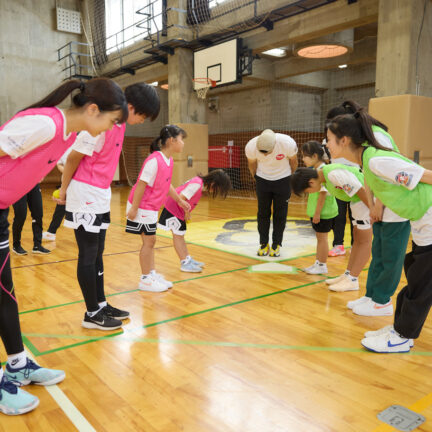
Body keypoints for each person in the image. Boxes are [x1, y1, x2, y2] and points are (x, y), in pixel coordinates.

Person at [0, 77, 127, 414]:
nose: (109, 130)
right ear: (93, 109)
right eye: (111, 122)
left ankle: (17, 363)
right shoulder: (45, 124)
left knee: (4, 291)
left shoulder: (67, 134)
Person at [326, 109, 432, 353]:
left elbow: (424, 175)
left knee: (421, 283)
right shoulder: (367, 161)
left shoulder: (376, 160)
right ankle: (400, 329)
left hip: (428, 214)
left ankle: (403, 336)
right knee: (416, 273)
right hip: (421, 217)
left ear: (344, 141)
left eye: (329, 139)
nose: (326, 144)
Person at [59, 83, 160, 331]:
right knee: (88, 253)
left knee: (98, 252)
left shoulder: (119, 125)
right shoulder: (101, 125)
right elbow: (72, 157)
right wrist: (63, 190)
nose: (141, 121)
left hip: (101, 191)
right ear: (131, 107)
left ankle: (101, 304)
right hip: (85, 192)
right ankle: (91, 312)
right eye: (143, 116)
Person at [331, 101, 411, 317]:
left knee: (390, 257)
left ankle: (382, 302)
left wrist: (378, 204)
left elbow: (390, 176)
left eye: (330, 138)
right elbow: (370, 177)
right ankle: (372, 296)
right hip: (382, 204)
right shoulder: (363, 148)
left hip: (397, 205)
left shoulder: (376, 140)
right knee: (379, 253)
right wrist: (373, 203)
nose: (327, 144)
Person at [126, 125, 190, 292]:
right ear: (171, 140)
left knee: (150, 242)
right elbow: (141, 184)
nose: (183, 143)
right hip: (142, 205)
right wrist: (134, 208)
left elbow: (167, 185)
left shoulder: (168, 160)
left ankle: (151, 273)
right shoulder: (154, 160)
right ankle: (146, 279)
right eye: (181, 139)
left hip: (151, 206)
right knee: (149, 241)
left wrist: (180, 201)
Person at [291, 163, 372, 292]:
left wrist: (373, 209)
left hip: (366, 200)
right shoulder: (325, 178)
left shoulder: (333, 174)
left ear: (311, 182)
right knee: (357, 240)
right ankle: (348, 275)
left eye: (307, 192)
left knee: (363, 241)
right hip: (357, 202)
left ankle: (353, 279)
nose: (309, 194)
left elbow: (360, 190)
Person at [158, 169, 232, 272]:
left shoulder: (198, 182)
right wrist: (187, 212)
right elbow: (181, 198)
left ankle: (187, 259)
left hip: (179, 210)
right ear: (214, 183)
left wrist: (187, 212)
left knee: (180, 235)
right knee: (178, 236)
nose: (216, 191)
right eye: (218, 188)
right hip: (174, 209)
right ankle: (184, 263)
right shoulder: (197, 184)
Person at [245, 129, 298, 257]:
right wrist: (257, 178)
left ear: (274, 145)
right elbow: (251, 165)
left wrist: (289, 179)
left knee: (280, 214)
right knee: (262, 213)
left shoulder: (287, 143)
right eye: (261, 152)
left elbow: (294, 162)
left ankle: (276, 245)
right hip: (262, 180)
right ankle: (263, 244)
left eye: (267, 152)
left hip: (283, 179)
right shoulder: (251, 146)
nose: (264, 155)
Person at [299, 141, 338, 275]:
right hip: (320, 212)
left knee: (322, 239)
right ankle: (318, 263)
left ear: (315, 156)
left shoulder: (322, 171)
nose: (303, 159)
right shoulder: (316, 170)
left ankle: (322, 265)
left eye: (305, 156)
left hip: (323, 212)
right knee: (320, 238)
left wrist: (317, 213)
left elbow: (323, 194)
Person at [42, 145, 74, 242]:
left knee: (77, 208)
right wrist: (67, 173)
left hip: (78, 183)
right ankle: (51, 232)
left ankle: (89, 231)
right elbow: (59, 164)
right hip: (66, 182)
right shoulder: (63, 148)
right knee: (60, 207)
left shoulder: (79, 145)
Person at [12, 183, 51, 255]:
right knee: (20, 216)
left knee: (38, 214)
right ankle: (16, 245)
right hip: (17, 184)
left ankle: (37, 245)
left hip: (33, 183)